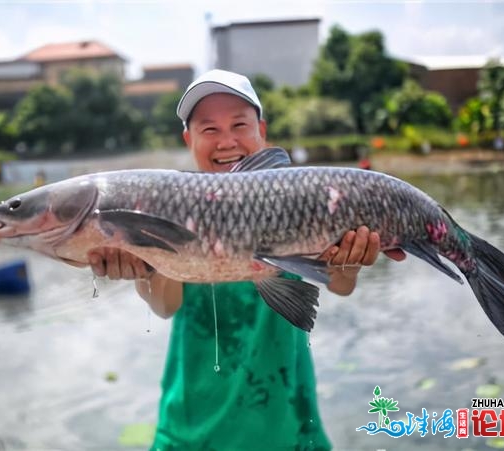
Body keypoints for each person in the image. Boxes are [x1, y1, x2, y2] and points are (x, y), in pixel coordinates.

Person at [88, 69, 406, 450]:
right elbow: (165, 305)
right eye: (209, 130)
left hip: (288, 424)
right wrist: (141, 265)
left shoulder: (295, 200)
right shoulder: (168, 207)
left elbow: (341, 284)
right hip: (192, 432)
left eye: (239, 125)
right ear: (189, 140)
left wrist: (349, 259)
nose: (226, 141)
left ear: (262, 131)